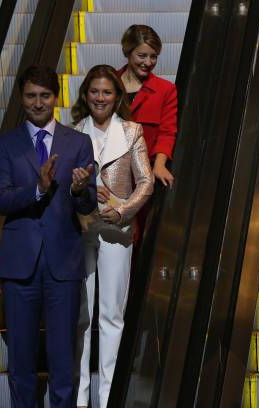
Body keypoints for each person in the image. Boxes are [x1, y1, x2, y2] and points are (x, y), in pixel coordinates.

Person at [0, 64, 96, 407]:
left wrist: (80, 190)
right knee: (20, 358)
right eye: (31, 96)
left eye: (45, 96)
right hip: (19, 265)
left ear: (56, 97)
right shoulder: (4, 144)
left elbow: (88, 203)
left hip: (63, 263)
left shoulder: (78, 142)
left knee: (63, 356)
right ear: (22, 98)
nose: (38, 103)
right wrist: (37, 189)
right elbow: (1, 199)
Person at [71, 65, 153, 408]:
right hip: (83, 228)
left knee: (111, 315)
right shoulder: (73, 132)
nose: (100, 98)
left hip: (117, 231)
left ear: (117, 96)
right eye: (94, 91)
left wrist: (122, 211)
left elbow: (146, 182)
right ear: (85, 95)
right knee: (81, 315)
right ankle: (79, 397)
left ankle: (107, 399)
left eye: (106, 92)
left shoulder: (132, 131)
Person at [117, 24, 177, 189]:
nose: (148, 62)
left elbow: (167, 132)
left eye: (154, 57)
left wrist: (159, 164)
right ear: (128, 53)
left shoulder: (165, 90)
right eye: (142, 56)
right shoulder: (107, 83)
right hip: (108, 173)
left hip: (143, 175)